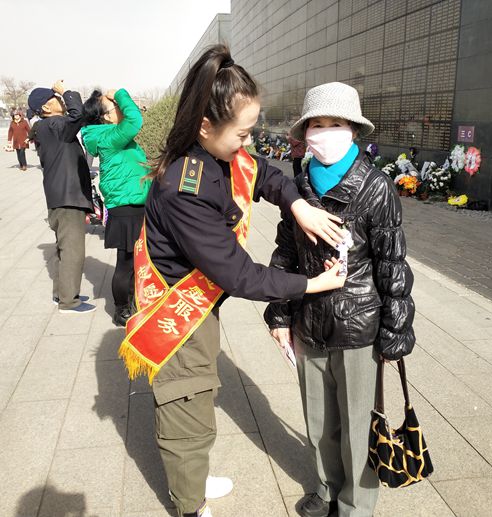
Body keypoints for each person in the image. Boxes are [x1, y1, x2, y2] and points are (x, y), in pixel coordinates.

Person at [118, 45, 349, 517]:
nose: (247, 144)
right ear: (206, 126)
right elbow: (239, 273)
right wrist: (310, 285)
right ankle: (190, 505)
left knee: (201, 395)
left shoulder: (221, 154)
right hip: (177, 314)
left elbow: (265, 175)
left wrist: (297, 205)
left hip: (201, 306)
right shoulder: (184, 188)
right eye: (242, 134)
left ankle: (193, 479)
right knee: (187, 404)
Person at [264, 82, 416, 517]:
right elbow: (286, 252)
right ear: (306, 132)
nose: (325, 132)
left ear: (352, 130)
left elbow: (392, 263)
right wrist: (279, 314)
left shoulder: (376, 187)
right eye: (317, 124)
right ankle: (326, 488)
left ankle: (355, 505)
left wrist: (395, 331)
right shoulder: (297, 187)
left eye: (336, 123)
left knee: (356, 424)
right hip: (308, 320)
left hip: (359, 327)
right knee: (318, 420)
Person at [81, 88, 151, 326]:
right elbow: (135, 120)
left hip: (133, 204)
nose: (120, 108)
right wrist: (120, 93)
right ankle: (122, 309)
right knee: (127, 262)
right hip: (126, 207)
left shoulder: (111, 135)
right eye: (115, 106)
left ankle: (135, 301)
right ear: (106, 117)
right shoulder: (110, 137)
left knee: (136, 260)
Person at [28, 80, 96, 313]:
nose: (60, 100)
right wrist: (66, 92)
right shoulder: (55, 124)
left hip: (60, 197)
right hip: (68, 198)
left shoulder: (46, 127)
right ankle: (69, 301)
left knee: (63, 249)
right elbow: (78, 115)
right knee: (73, 251)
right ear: (46, 108)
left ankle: (62, 293)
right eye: (55, 98)